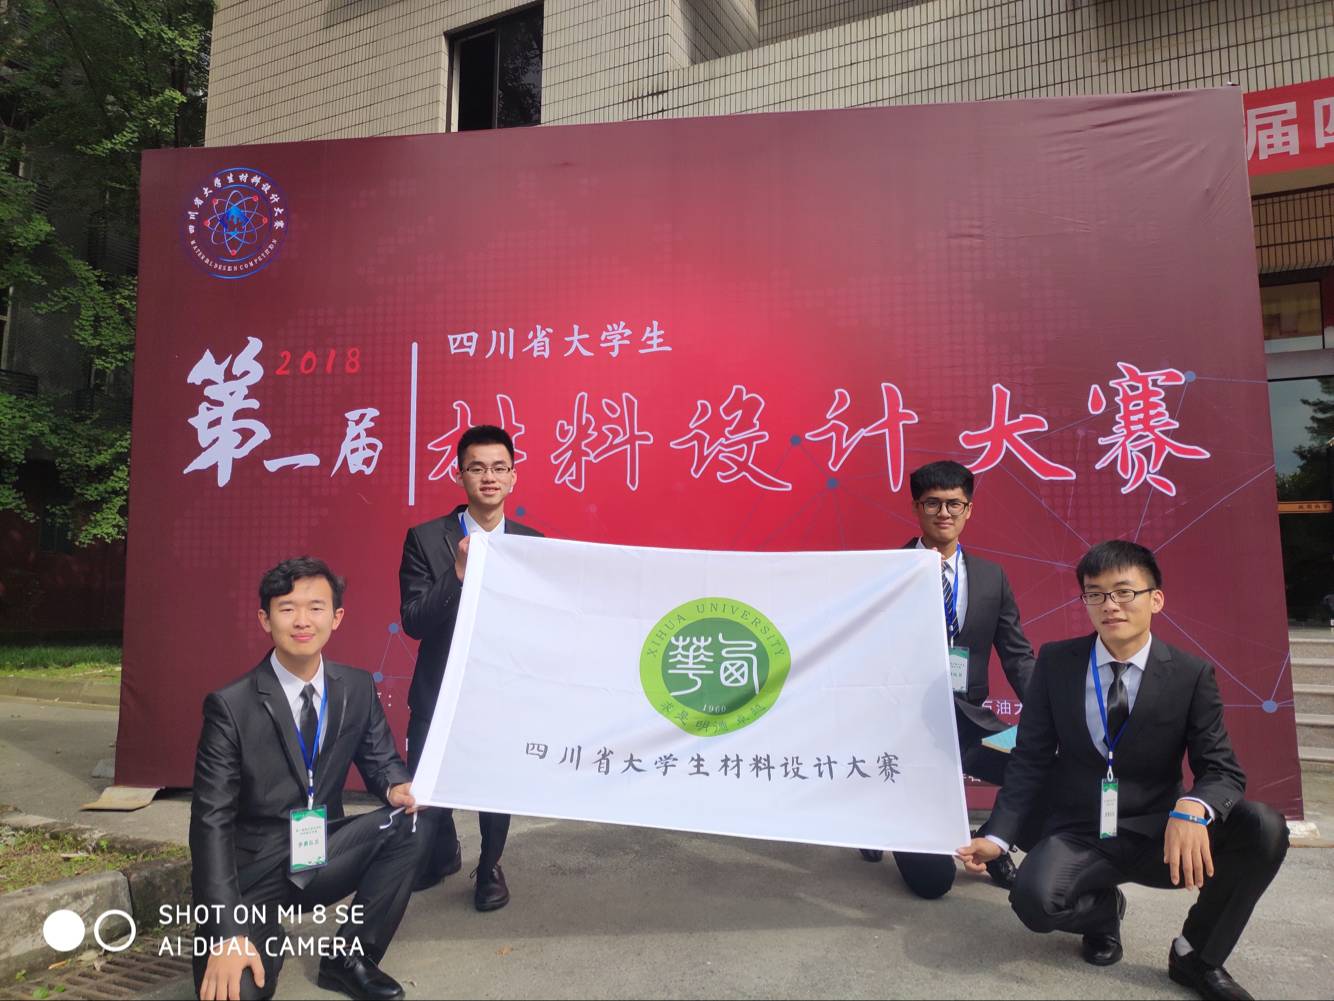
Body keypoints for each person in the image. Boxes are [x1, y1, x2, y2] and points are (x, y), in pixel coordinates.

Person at [957, 540, 1289, 1001]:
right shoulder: (1057, 663)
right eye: (1095, 594)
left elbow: (1222, 769)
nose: (1110, 605)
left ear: (1156, 599)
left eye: (1124, 592)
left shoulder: (1190, 675)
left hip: (1159, 832)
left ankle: (1196, 955)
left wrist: (1193, 807)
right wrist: (997, 837)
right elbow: (1030, 758)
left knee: (1263, 827)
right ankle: (1103, 913)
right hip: (1081, 830)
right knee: (1033, 902)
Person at [189, 557, 422, 1001]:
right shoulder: (230, 706)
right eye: (287, 608)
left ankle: (348, 958)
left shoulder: (355, 687)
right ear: (265, 619)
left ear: (336, 617)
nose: (302, 620)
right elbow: (209, 823)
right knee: (237, 993)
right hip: (255, 873)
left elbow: (380, 760)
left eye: (316, 607)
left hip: (321, 854)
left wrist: (396, 786)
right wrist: (226, 933)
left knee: (412, 821)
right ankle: (259, 933)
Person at [863, 460, 1036, 898]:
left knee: (1036, 763)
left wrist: (1050, 710)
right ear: (916, 508)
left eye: (954, 504)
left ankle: (995, 842)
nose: (944, 513)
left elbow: (1017, 654)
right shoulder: (886, 571)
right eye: (933, 503)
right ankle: (880, 818)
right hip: (907, 728)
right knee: (933, 883)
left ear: (968, 509)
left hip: (971, 721)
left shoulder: (992, 577)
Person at [399, 424, 542, 910]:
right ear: (459, 476)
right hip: (439, 689)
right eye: (477, 468)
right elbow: (414, 621)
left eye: (499, 468)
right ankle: (441, 853)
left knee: (494, 786)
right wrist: (457, 572)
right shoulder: (425, 539)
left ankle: (490, 865)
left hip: (501, 690)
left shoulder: (532, 543)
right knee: (429, 785)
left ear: (513, 477)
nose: (489, 477)